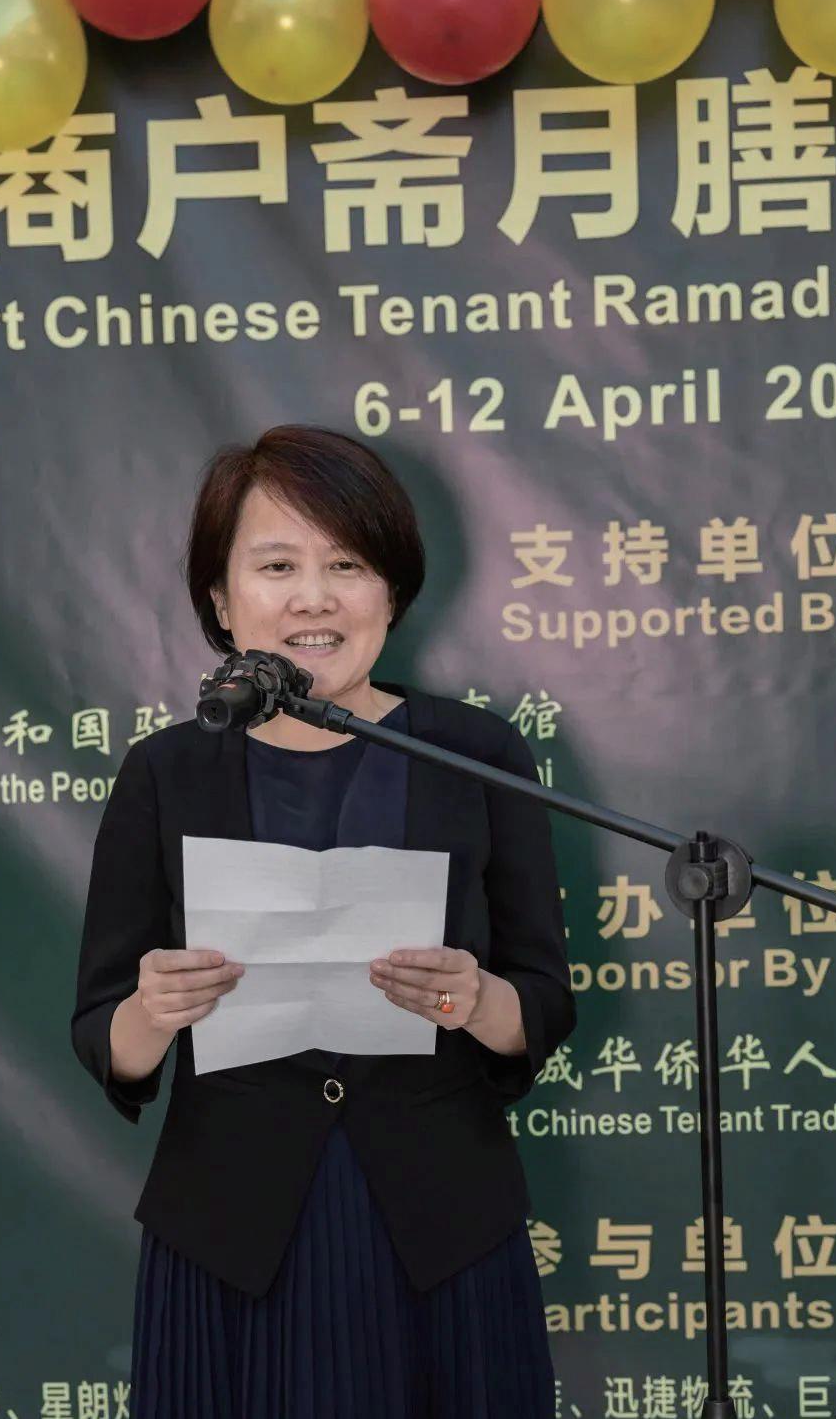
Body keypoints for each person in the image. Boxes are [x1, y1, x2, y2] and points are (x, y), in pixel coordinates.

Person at [71, 425, 576, 1419]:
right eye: (277, 566)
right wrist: (154, 1011)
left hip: (444, 1228)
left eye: (347, 565)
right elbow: (105, 1035)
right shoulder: (167, 771)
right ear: (221, 601)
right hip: (231, 1233)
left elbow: (544, 1003)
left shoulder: (476, 756)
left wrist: (476, 1000)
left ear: (392, 592)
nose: (314, 598)